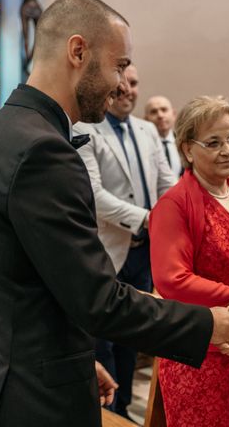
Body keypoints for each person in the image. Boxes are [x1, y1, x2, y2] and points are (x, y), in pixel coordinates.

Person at [0, 0, 229, 427]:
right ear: (78, 51)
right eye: (119, 65)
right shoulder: (44, 151)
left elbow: (29, 284)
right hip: (32, 402)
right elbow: (99, 300)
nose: (123, 85)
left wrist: (81, 358)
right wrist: (207, 324)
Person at [150, 95, 229, 427]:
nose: (228, 150)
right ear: (188, 149)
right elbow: (171, 280)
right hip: (201, 358)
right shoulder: (175, 205)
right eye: (214, 142)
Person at [73, 64, 176, 420]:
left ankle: (126, 409)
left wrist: (167, 219)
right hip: (108, 249)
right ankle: (106, 413)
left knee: (135, 336)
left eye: (133, 83)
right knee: (104, 341)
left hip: (146, 252)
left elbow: (167, 185)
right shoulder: (86, 129)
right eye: (121, 82)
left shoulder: (148, 131)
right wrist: (147, 218)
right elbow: (95, 195)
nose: (126, 89)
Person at [144, 95, 183, 179]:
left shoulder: (185, 143)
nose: (160, 115)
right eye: (154, 112)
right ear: (146, 119)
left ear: (174, 115)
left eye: (164, 110)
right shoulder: (142, 146)